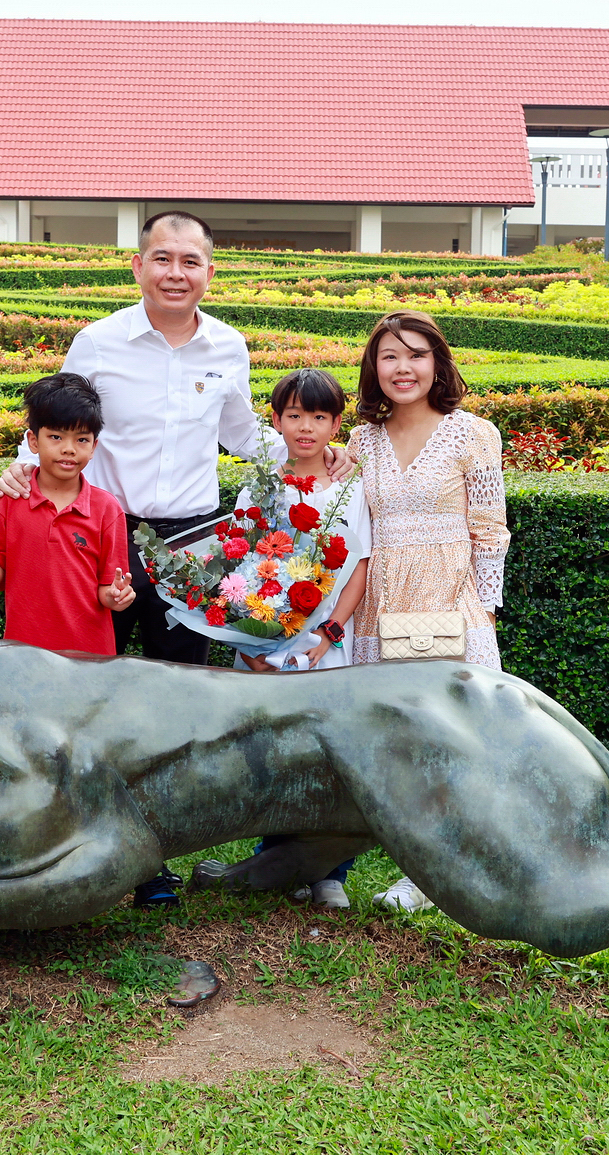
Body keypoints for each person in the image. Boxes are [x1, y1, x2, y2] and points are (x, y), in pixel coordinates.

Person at [0, 210, 352, 906]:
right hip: (94, 532)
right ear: (138, 267)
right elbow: (55, 421)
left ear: (209, 273)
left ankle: (153, 855)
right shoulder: (98, 340)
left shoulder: (227, 346)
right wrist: (15, 472)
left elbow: (244, 433)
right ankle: (62, 843)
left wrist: (312, 451)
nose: (176, 273)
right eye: (163, 259)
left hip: (190, 545)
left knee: (177, 701)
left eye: (191, 261)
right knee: (83, 693)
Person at [344, 311, 510, 914]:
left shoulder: (473, 434)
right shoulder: (360, 441)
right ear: (374, 368)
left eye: (416, 354)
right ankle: (415, 863)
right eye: (390, 356)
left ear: (437, 362)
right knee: (398, 742)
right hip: (380, 605)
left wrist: (485, 609)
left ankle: (449, 869)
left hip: (451, 600)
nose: (403, 367)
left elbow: (490, 530)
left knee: (458, 739)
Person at [231, 368, 374, 909]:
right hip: (264, 642)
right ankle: (276, 858)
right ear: (276, 420)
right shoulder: (259, 487)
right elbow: (236, 565)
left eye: (319, 416)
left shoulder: (350, 489)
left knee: (330, 751)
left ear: (337, 424)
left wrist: (329, 634)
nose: (306, 427)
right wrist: (251, 645)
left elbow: (360, 565)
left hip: (327, 643)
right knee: (274, 749)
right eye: (294, 415)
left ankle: (330, 872)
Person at [0, 373, 137, 653]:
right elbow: (0, 579)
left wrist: (116, 596)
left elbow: (106, 589)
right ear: (33, 441)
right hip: (24, 652)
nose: (68, 448)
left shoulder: (106, 509)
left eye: (82, 440)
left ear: (94, 446)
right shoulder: (10, 501)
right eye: (55, 436)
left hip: (90, 654)